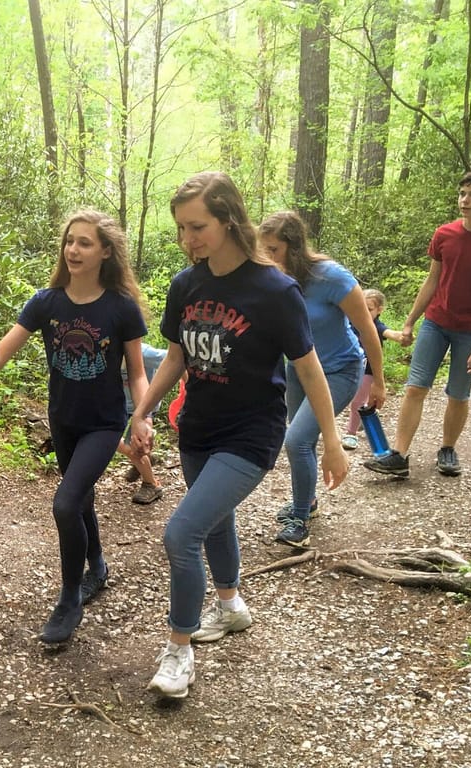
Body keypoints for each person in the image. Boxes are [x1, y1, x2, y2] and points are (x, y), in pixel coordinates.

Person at [130, 172, 348, 700]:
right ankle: (230, 606)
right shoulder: (187, 284)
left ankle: (178, 651)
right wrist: (142, 411)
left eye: (198, 226)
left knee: (181, 534)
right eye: (181, 229)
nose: (189, 239)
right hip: (198, 428)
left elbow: (311, 368)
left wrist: (332, 439)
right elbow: (178, 357)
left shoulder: (275, 289)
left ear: (229, 218)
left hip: (252, 433)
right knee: (214, 521)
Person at [0, 209, 149, 643]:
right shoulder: (46, 302)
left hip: (104, 424)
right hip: (64, 421)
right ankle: (98, 566)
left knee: (64, 504)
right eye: (69, 241)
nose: (73, 249)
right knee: (80, 499)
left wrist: (142, 416)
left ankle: (70, 596)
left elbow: (135, 372)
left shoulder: (121, 309)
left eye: (85, 243)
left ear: (106, 252)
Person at [258, 211, 385, 547]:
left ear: (293, 246)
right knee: (304, 441)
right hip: (298, 371)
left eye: (273, 249)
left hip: (340, 370)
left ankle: (300, 518)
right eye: (263, 249)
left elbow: (367, 331)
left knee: (297, 440)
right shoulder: (274, 280)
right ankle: (308, 502)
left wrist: (380, 381)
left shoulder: (332, 278)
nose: (267, 257)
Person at [365, 169, 471, 479]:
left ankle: (447, 448)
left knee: (458, 394)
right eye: (462, 193)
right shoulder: (444, 234)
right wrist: (409, 322)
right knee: (415, 388)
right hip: (436, 323)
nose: (465, 200)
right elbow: (432, 281)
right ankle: (399, 455)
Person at [341, 289, 405, 451]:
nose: (363, 311)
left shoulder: (375, 326)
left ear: (379, 310)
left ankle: (351, 433)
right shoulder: (350, 321)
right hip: (348, 367)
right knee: (350, 399)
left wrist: (401, 336)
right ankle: (359, 421)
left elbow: (388, 332)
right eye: (360, 306)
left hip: (369, 370)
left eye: (369, 309)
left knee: (358, 401)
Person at [119, 343, 166, 504]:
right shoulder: (107, 350)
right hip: (121, 406)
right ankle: (144, 461)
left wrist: (186, 388)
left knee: (135, 447)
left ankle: (152, 484)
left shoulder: (143, 351)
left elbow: (172, 359)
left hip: (144, 406)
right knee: (111, 442)